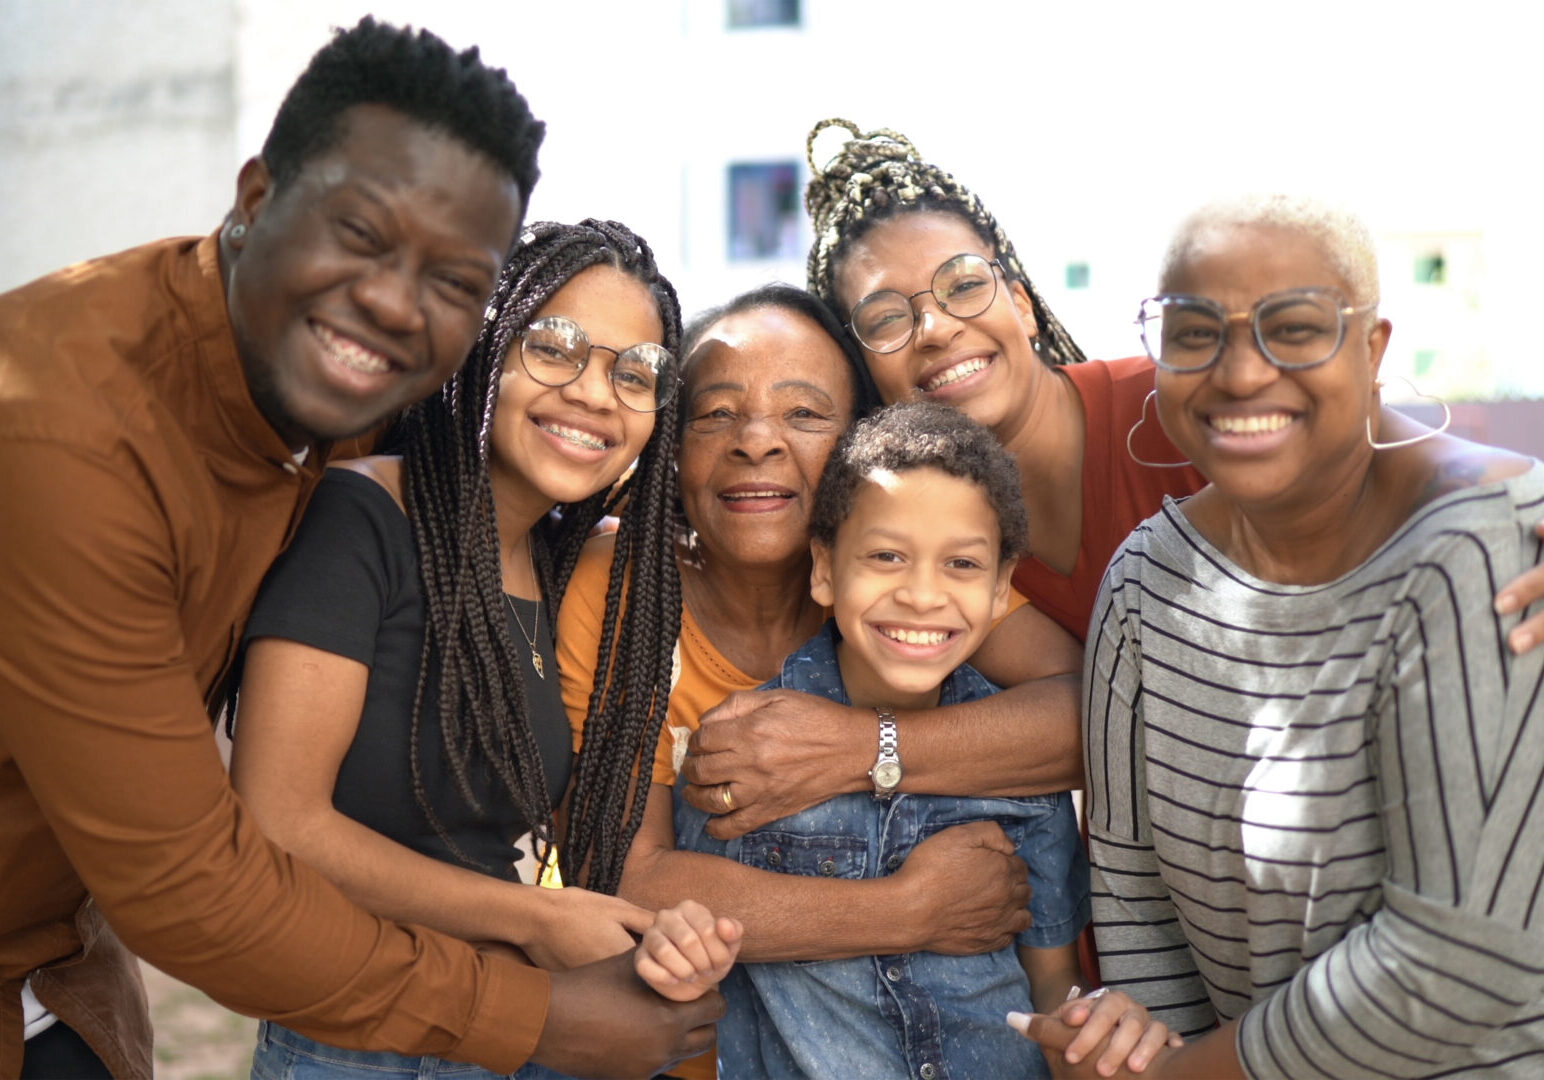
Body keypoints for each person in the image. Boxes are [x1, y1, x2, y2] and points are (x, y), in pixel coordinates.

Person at [0, 18, 714, 1080]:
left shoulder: (356, 405)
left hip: (55, 971)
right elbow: (199, 879)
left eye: (451, 282)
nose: (390, 302)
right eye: (361, 234)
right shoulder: (62, 438)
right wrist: (534, 1010)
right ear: (254, 197)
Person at [1022, 194, 1544, 1078]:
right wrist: (1145, 1049)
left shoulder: (1491, 549)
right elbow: (1132, 891)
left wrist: (1180, 1079)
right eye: (1193, 333)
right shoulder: (1145, 580)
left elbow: (1466, 964)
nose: (1240, 372)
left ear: (1373, 348)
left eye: (1293, 328)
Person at [231, 218, 728, 1078]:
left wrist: (661, 935)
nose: (594, 392)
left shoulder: (557, 566)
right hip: (361, 1040)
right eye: (557, 346)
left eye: (634, 372)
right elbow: (278, 822)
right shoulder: (364, 518)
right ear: (486, 346)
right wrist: (535, 917)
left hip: (515, 1034)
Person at [559, 285, 1079, 1079]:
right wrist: (909, 910)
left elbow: (1082, 715)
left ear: (859, 447)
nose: (756, 442)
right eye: (715, 414)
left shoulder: (912, 579)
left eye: (804, 414)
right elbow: (630, 880)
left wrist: (862, 746)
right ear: (668, 443)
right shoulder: (621, 585)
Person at [678, 400, 1183, 1079]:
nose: (922, 595)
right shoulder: (746, 748)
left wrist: (1083, 1028)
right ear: (824, 569)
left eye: (962, 565)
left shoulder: (1018, 769)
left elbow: (1052, 981)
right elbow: (681, 934)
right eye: (887, 556)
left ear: (1002, 587)